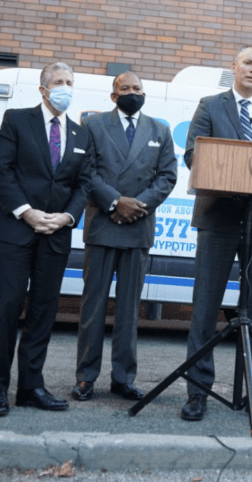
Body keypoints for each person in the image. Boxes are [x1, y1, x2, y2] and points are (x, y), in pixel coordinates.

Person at [179, 44, 252, 423]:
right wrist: (230, 172)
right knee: (205, 309)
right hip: (218, 217)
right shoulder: (210, 106)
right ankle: (198, 393)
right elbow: (193, 155)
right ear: (234, 67)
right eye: (248, 62)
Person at [0, 62, 93, 417]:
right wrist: (26, 212)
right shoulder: (17, 120)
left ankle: (30, 387)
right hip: (17, 231)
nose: (65, 87)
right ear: (43, 89)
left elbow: (83, 184)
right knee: (6, 310)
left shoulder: (80, 134)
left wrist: (67, 217)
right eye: (59, 82)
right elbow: (1, 169)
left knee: (43, 313)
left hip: (56, 236)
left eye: (70, 82)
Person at [71, 72, 177, 402]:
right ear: (113, 95)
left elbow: (167, 176)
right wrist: (116, 202)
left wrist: (136, 206)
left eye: (137, 88)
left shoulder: (160, 130)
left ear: (145, 93)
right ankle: (86, 377)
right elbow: (86, 171)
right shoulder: (93, 125)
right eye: (125, 88)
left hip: (137, 229)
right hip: (103, 226)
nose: (132, 93)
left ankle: (123, 378)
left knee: (130, 311)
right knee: (93, 307)